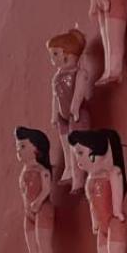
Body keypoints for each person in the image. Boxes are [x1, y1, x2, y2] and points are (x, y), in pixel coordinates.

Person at [69, 128, 127, 253]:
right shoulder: (90, 179)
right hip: (102, 225)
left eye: (81, 153)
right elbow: (91, 203)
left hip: (114, 222)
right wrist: (94, 221)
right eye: (76, 154)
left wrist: (118, 212)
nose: (78, 159)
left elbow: (117, 195)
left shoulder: (113, 172)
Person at [46, 28, 92, 193]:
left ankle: (79, 177)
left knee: (77, 145)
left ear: (68, 54)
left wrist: (75, 109)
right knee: (66, 145)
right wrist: (54, 115)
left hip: (77, 115)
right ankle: (69, 169)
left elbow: (79, 93)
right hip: (63, 116)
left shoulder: (80, 74)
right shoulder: (57, 77)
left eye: (55, 54)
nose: (52, 58)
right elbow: (55, 97)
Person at [13, 127, 54, 253]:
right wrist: (27, 207)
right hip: (29, 212)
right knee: (31, 243)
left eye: (23, 146)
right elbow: (23, 192)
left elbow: (46, 189)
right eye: (18, 147)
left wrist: (37, 202)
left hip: (42, 209)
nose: (19, 150)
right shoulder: (23, 172)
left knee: (42, 241)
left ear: (36, 149)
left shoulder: (42, 170)